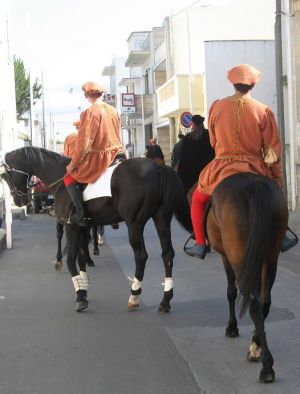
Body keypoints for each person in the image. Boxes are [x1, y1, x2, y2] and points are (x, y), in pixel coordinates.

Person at [185, 63, 296, 259]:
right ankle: (284, 235)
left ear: (233, 84)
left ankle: (200, 243)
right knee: (276, 196)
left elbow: (213, 141)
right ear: (252, 85)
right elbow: (271, 151)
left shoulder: (217, 107)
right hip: (255, 166)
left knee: (197, 200)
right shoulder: (264, 110)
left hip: (222, 166)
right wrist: (276, 175)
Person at [63, 81, 124, 225]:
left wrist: (73, 164)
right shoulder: (113, 110)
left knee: (68, 177)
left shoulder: (89, 112)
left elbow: (84, 144)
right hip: (118, 153)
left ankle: (81, 213)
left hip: (100, 158)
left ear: (86, 95)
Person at [177, 115, 215, 193]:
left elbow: (183, 158)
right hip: (206, 173)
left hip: (190, 175)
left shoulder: (188, 137)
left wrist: (180, 174)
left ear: (193, 124)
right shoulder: (209, 135)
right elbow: (213, 154)